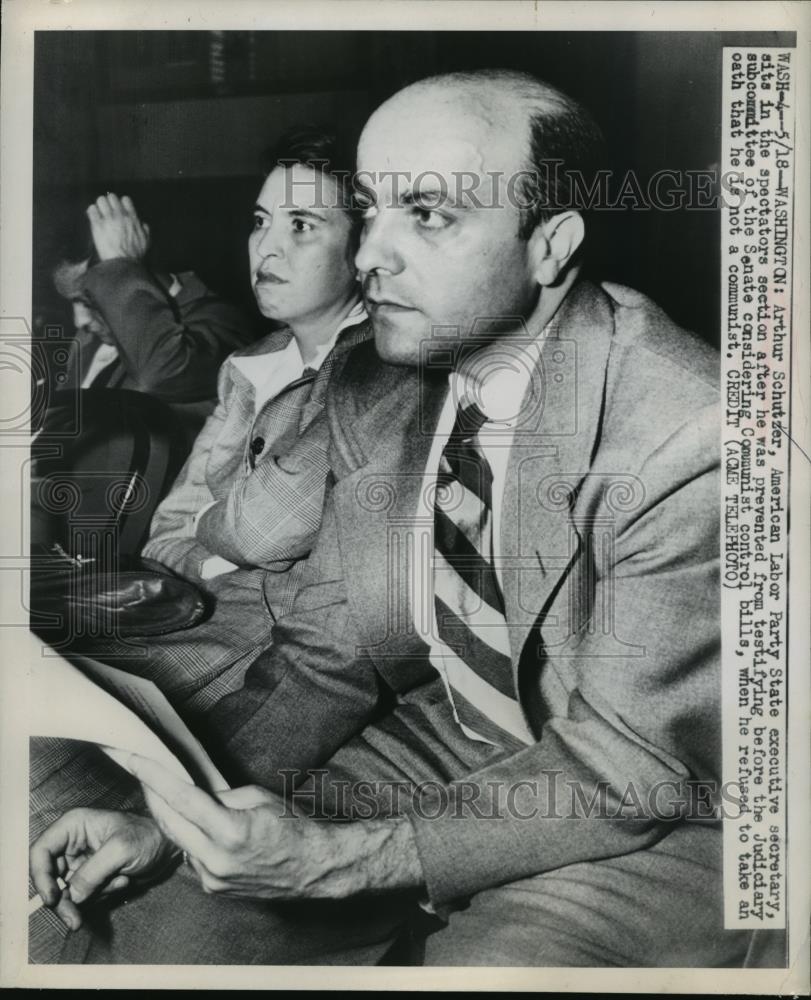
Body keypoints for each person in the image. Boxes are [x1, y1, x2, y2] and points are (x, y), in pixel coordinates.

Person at [31, 70, 762, 967]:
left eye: (428, 214)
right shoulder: (377, 382)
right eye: (371, 210)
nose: (371, 253)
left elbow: (636, 763)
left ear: (551, 245)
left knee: (486, 975)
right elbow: (330, 653)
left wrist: (344, 862)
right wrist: (173, 823)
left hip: (680, 799)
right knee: (149, 938)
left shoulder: (690, 434)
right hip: (461, 736)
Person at [51, 192, 252, 446]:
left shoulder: (225, 324)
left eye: (89, 301)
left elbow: (158, 375)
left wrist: (121, 264)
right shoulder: (86, 341)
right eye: (72, 302)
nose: (79, 321)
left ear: (133, 272)